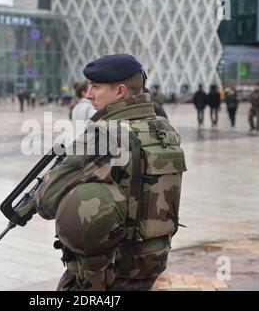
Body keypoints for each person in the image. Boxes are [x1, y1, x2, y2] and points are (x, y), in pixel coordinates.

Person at [30, 54, 187, 291]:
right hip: (150, 263)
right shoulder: (165, 130)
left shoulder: (104, 135)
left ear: (120, 91)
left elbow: (46, 203)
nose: (89, 94)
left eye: (96, 87)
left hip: (106, 270)